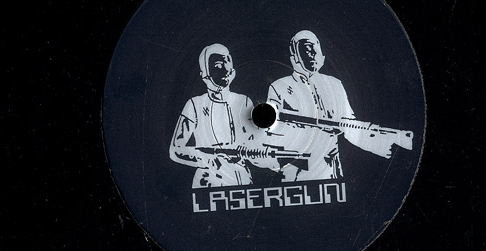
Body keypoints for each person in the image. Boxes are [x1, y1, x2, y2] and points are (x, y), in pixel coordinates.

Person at [267, 30, 398, 181]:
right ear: (295, 57)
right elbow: (271, 134)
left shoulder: (335, 84)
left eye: (315, 48)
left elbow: (351, 127)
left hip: (329, 172)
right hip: (295, 173)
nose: (312, 54)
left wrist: (382, 143)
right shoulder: (279, 87)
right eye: (306, 49)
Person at [169, 44, 276, 188]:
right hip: (209, 182)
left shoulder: (243, 101)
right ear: (204, 74)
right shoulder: (194, 104)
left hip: (242, 180)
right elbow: (176, 149)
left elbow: (254, 144)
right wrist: (208, 159)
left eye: (227, 62)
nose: (225, 69)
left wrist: (266, 158)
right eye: (218, 66)